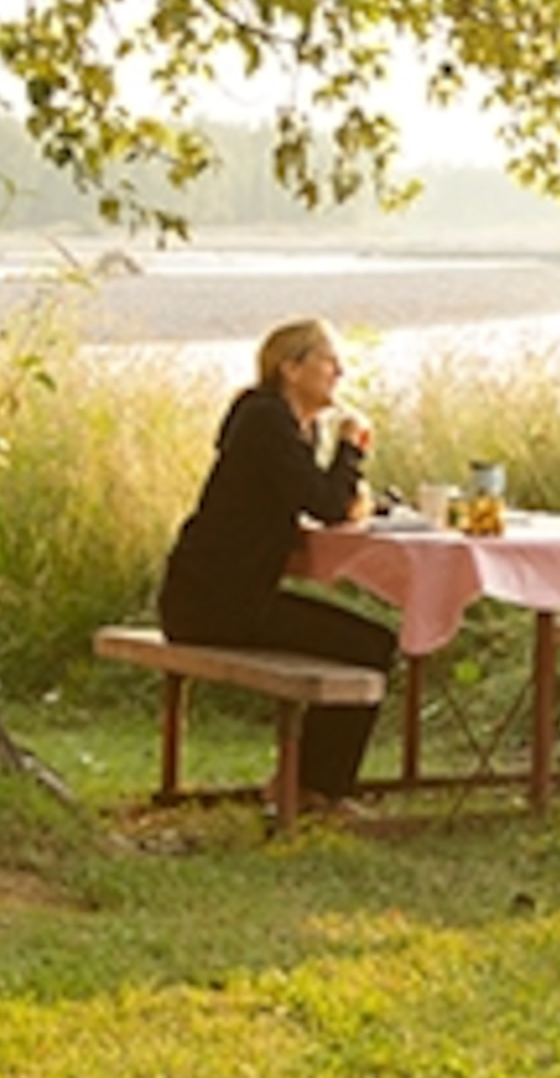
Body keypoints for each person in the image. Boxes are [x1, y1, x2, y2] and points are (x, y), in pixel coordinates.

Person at [156, 318, 398, 808]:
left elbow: (317, 500)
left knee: (367, 643)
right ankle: (314, 789)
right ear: (291, 367)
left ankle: (308, 784)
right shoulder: (265, 420)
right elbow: (328, 505)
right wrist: (350, 448)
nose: (340, 372)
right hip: (217, 602)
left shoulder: (288, 426)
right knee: (372, 645)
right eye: (329, 361)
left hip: (229, 594)